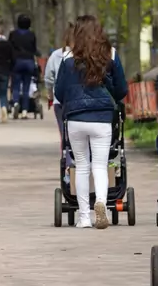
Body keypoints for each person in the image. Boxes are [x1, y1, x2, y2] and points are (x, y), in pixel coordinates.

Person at [54, 15, 128, 230]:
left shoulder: (67, 57)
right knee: (101, 165)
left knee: (82, 166)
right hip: (102, 118)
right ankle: (102, 204)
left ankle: (84, 217)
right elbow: (122, 89)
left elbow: (59, 91)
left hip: (76, 118)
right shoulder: (110, 55)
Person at [45, 22, 75, 135]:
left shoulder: (56, 55)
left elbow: (48, 78)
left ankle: (66, 152)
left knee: (64, 134)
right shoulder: (85, 55)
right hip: (80, 101)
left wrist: (51, 95)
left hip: (60, 100)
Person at [9, 14, 38, 119]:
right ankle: (25, 110)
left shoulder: (13, 34)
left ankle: (16, 103)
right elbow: (34, 49)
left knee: (16, 86)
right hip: (29, 62)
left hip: (17, 62)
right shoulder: (31, 35)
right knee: (26, 87)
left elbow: (9, 48)